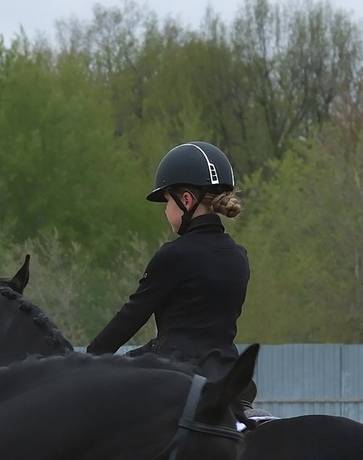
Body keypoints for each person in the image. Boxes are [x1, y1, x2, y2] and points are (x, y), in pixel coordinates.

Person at [86, 140, 249, 365]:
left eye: (167, 201)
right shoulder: (239, 256)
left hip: (175, 369)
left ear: (186, 201)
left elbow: (131, 317)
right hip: (227, 370)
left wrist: (86, 360)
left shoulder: (175, 255)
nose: (165, 210)